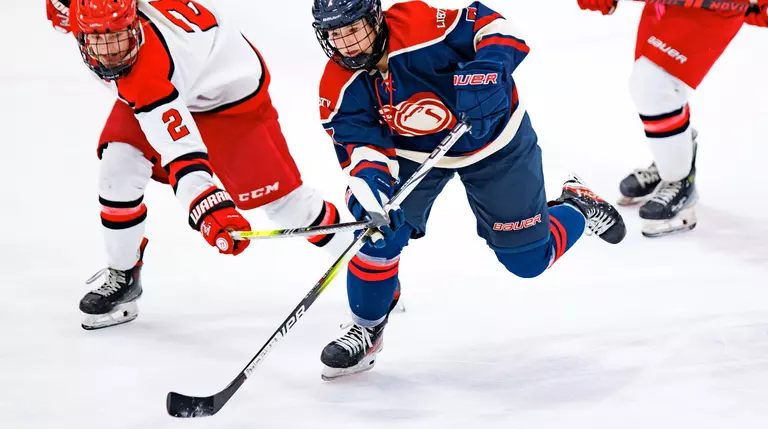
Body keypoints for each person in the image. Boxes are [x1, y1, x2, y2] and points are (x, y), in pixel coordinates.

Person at [310, 0, 627, 380]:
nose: (345, 43)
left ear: (375, 18)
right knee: (376, 232)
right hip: (412, 153)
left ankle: (578, 205)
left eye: (353, 28)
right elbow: (362, 152)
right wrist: (374, 195)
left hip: (494, 141)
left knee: (528, 261)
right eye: (334, 33)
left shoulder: (421, 25)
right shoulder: (338, 86)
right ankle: (367, 326)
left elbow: (493, 28)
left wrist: (489, 68)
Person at [46, 0, 353, 330]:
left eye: (118, 37)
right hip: (172, 85)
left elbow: (182, 153)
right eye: (97, 39)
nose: (109, 53)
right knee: (118, 167)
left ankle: (368, 268)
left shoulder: (146, 68)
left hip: (228, 103)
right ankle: (124, 274)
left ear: (135, 24)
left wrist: (208, 207)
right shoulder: (86, 13)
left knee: (288, 208)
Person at [576, 0, 763, 237]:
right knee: (654, 82)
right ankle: (672, 156)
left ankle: (679, 178)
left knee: (655, 85)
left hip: (712, 8)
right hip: (666, 5)